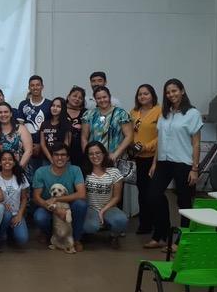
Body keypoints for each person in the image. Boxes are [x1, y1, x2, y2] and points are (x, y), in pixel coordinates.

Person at [144, 79, 202, 251]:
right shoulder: (165, 113)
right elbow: (161, 141)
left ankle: (181, 240)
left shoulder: (192, 114)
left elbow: (196, 143)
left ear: (182, 91)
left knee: (184, 202)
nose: (171, 94)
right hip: (163, 161)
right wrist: (154, 163)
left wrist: (195, 169)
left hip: (183, 163)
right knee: (153, 196)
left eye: (174, 91)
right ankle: (161, 235)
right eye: (168, 92)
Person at [32, 143, 87, 252]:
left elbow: (81, 194)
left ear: (68, 157)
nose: (60, 158)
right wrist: (56, 209)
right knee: (39, 217)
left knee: (81, 204)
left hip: (69, 205)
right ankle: (49, 235)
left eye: (63, 155)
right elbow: (36, 197)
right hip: (47, 206)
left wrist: (57, 199)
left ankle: (76, 239)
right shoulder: (41, 172)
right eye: (56, 155)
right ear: (51, 156)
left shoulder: (75, 170)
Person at [82, 141, 128, 249]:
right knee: (90, 226)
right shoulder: (83, 172)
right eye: (91, 154)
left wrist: (102, 211)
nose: (95, 156)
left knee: (121, 220)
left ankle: (113, 236)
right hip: (90, 208)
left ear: (104, 154)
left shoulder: (114, 172)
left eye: (98, 153)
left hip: (109, 207)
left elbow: (117, 197)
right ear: (87, 156)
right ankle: (87, 233)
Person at [129, 84, 161, 235]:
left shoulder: (159, 111)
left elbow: (162, 136)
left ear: (152, 95)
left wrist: (146, 147)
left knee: (153, 192)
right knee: (142, 192)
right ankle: (145, 224)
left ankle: (157, 222)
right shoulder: (134, 112)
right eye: (140, 94)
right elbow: (129, 133)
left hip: (153, 158)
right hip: (137, 158)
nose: (142, 96)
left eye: (146, 94)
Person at [81, 86, 133, 163]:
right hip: (95, 160)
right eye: (99, 98)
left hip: (116, 159)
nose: (102, 100)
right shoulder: (88, 114)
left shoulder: (121, 114)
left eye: (104, 97)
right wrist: (89, 156)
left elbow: (129, 136)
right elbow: (84, 138)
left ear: (109, 97)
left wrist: (115, 154)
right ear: (95, 100)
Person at [17, 75, 52, 180]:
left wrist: (41, 146)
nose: (35, 87)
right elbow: (20, 126)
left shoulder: (49, 104)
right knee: (29, 178)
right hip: (27, 148)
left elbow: (52, 126)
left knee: (44, 178)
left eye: (38, 85)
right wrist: (29, 146)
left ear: (42, 87)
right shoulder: (23, 104)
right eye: (32, 85)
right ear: (29, 88)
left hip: (45, 148)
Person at [0, 150, 29, 248]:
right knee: (6, 215)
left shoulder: (20, 176)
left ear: (14, 162)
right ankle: (0, 236)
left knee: (22, 239)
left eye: (10, 159)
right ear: (0, 162)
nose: (7, 162)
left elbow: (24, 198)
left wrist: (19, 215)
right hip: (1, 214)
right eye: (4, 159)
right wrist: (2, 204)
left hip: (16, 214)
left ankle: (10, 232)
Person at [0, 102, 33, 169]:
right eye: (0, 112)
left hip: (20, 169)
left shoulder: (21, 129)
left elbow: (29, 151)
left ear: (11, 114)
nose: (3, 114)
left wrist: (18, 169)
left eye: (6, 112)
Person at [40, 97, 72, 164]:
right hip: (47, 159)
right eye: (53, 105)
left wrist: (58, 158)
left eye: (58, 106)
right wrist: (51, 159)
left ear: (63, 109)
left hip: (62, 159)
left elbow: (67, 144)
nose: (55, 108)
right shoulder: (44, 124)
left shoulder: (67, 124)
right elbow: (42, 144)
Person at [66, 86, 86, 167]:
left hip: (80, 152)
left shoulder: (85, 113)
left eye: (80, 98)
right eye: (74, 96)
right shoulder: (60, 110)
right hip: (62, 151)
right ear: (68, 96)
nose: (77, 99)